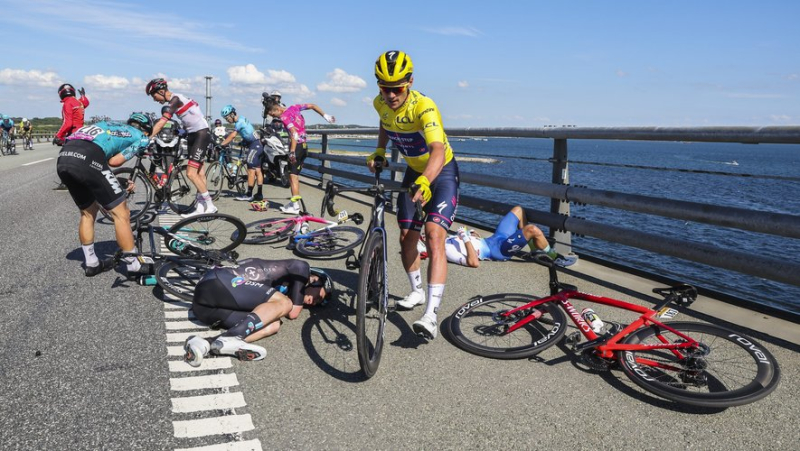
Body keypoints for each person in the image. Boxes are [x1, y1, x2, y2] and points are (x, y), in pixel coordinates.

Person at [365, 50, 460, 340]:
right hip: (413, 171)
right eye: (385, 87)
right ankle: (417, 291)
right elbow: (384, 121)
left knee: (433, 236)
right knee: (406, 236)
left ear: (410, 82)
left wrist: (426, 180)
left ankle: (431, 313)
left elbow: (438, 150)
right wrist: (381, 149)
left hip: (441, 172)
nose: (391, 94)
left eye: (397, 88)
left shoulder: (424, 106)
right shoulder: (379, 102)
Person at [55, 113, 155, 277]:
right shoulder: (141, 137)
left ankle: (92, 263)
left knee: (88, 213)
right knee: (122, 214)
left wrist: (118, 181)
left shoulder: (109, 124)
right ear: (145, 130)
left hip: (64, 158)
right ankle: (133, 264)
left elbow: (98, 170)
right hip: (88, 157)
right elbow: (114, 162)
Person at [183, 259, 333, 366]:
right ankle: (234, 336)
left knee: (273, 325)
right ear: (316, 279)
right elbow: (293, 313)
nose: (315, 302)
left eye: (318, 303)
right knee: (284, 304)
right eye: (320, 296)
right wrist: (293, 300)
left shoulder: (280, 292)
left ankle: (208, 344)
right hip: (218, 280)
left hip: (204, 310)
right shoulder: (302, 268)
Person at [145, 78, 216, 217]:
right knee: (199, 173)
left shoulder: (175, 100)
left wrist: (146, 139)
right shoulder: (176, 100)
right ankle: (200, 206)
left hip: (201, 134)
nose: (155, 100)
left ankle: (210, 205)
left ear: (161, 91)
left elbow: (161, 123)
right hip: (192, 135)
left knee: (190, 173)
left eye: (155, 96)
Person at [443, 206, 578, 268]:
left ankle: (533, 250)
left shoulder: (445, 239)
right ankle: (555, 258)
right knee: (532, 230)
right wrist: (465, 238)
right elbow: (473, 262)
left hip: (494, 239)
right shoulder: (446, 250)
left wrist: (470, 234)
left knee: (518, 210)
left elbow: (474, 240)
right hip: (498, 251)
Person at [265, 99, 335, 214]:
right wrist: (325, 115)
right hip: (304, 146)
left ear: (277, 109)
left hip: (296, 147)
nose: (273, 117)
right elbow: (312, 105)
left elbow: (294, 133)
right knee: (295, 175)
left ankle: (295, 206)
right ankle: (294, 203)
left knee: (292, 176)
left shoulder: (284, 117)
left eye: (273, 114)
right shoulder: (294, 107)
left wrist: (291, 151)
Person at [218, 104, 266, 202]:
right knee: (257, 170)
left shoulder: (238, 122)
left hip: (255, 145)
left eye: (227, 118)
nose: (227, 120)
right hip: (258, 144)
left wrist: (222, 144)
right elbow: (247, 132)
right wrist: (244, 141)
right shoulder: (242, 118)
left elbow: (232, 136)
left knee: (251, 170)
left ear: (232, 114)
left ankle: (249, 194)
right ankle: (259, 194)